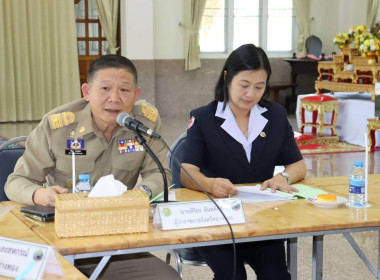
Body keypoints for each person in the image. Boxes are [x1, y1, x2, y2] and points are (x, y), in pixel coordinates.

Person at [5, 54, 180, 280]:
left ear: (136, 95)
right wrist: (41, 195)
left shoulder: (144, 124)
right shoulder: (58, 126)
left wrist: (141, 193)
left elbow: (160, 173)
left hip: (114, 240)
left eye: (124, 91)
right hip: (58, 237)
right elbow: (16, 182)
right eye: (105, 88)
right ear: (87, 92)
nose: (114, 99)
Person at [180, 44, 307, 280]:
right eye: (244, 85)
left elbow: (298, 165)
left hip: (261, 219)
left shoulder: (275, 116)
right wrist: (209, 184)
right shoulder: (204, 117)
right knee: (233, 277)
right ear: (227, 77)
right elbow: (186, 172)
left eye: (259, 87)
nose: (251, 94)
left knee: (276, 276)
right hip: (216, 220)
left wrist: (282, 177)